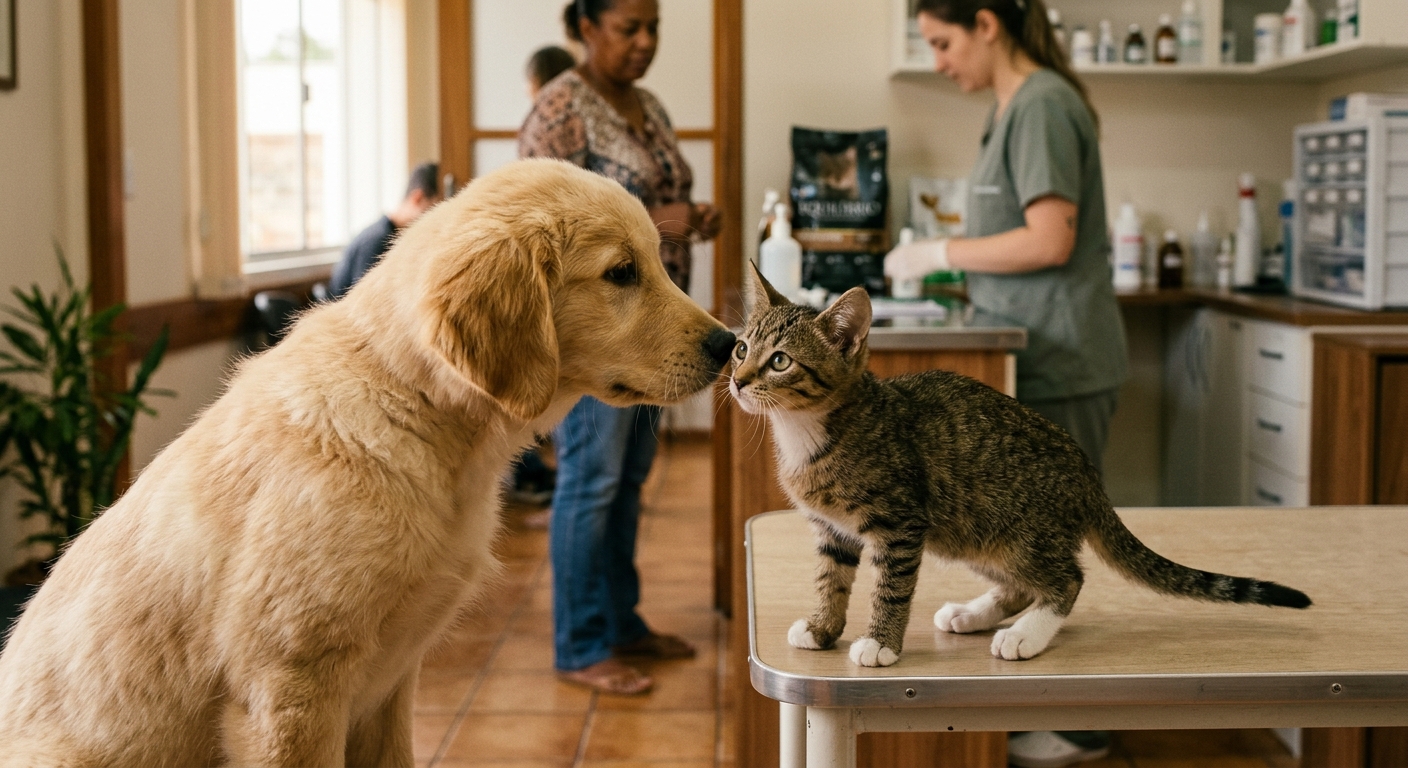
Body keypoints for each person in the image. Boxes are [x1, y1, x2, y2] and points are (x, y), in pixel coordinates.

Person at [882, 1, 1127, 766]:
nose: (940, 60)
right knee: (1022, 531)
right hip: (1036, 348)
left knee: (1061, 546)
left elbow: (1050, 238)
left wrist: (938, 252)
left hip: (1065, 356)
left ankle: (1083, 731)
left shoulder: (1045, 103)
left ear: (988, 23)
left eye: (944, 42)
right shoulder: (1008, 111)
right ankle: (1016, 652)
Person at [518, 0, 721, 696]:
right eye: (628, 28)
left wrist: (693, 218)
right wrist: (663, 222)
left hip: (656, 338)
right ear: (585, 27)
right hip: (603, 338)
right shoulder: (560, 110)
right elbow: (543, 232)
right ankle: (579, 644)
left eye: (654, 28)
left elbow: (662, 200)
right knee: (592, 480)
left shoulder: (649, 106)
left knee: (629, 481)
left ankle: (621, 621)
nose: (644, 42)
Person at [328, 161, 441, 298]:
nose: (439, 218)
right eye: (436, 207)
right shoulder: (376, 241)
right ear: (417, 198)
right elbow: (367, 303)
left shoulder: (395, 235)